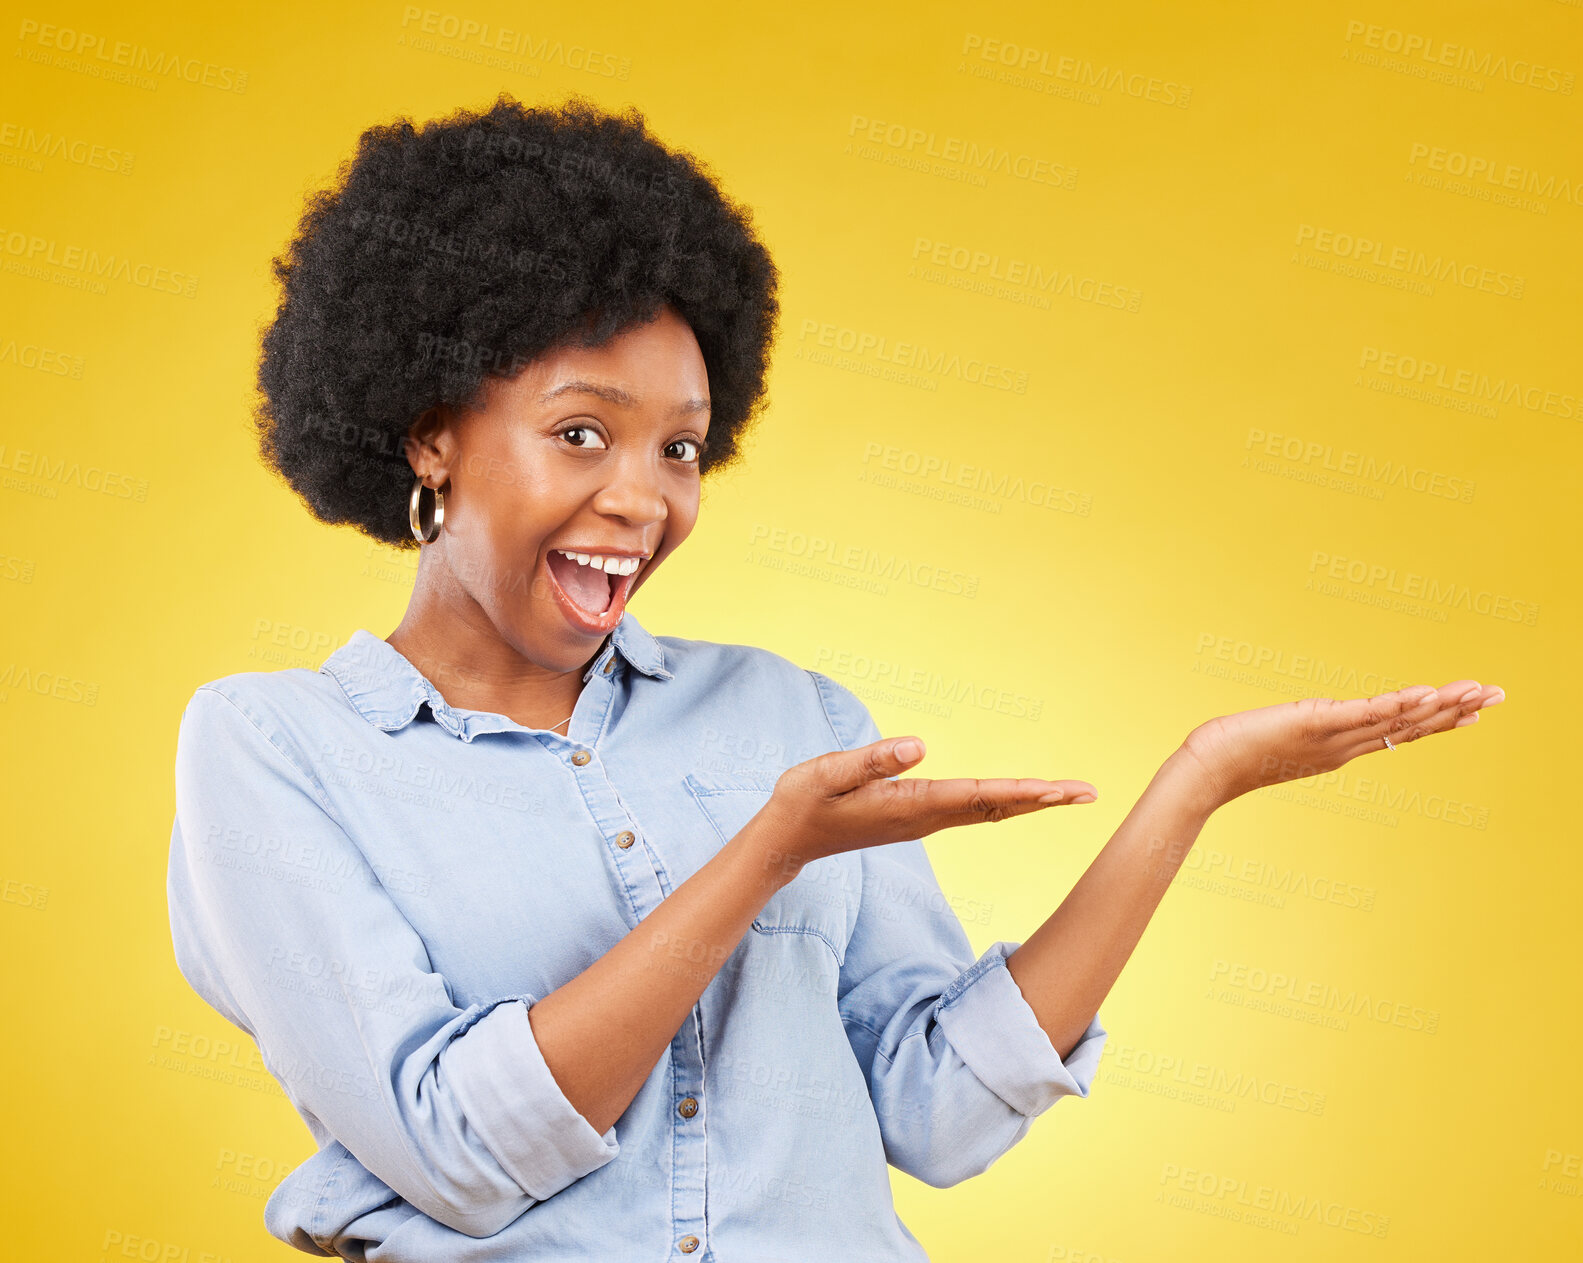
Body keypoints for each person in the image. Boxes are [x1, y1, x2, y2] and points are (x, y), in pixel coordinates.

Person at [166, 93, 1505, 1261]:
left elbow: (938, 1111)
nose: (640, 500)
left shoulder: (785, 715)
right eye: (582, 433)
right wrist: (763, 856)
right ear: (430, 433)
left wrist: (1195, 787)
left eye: (682, 450)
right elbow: (455, 1147)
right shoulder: (276, 749)